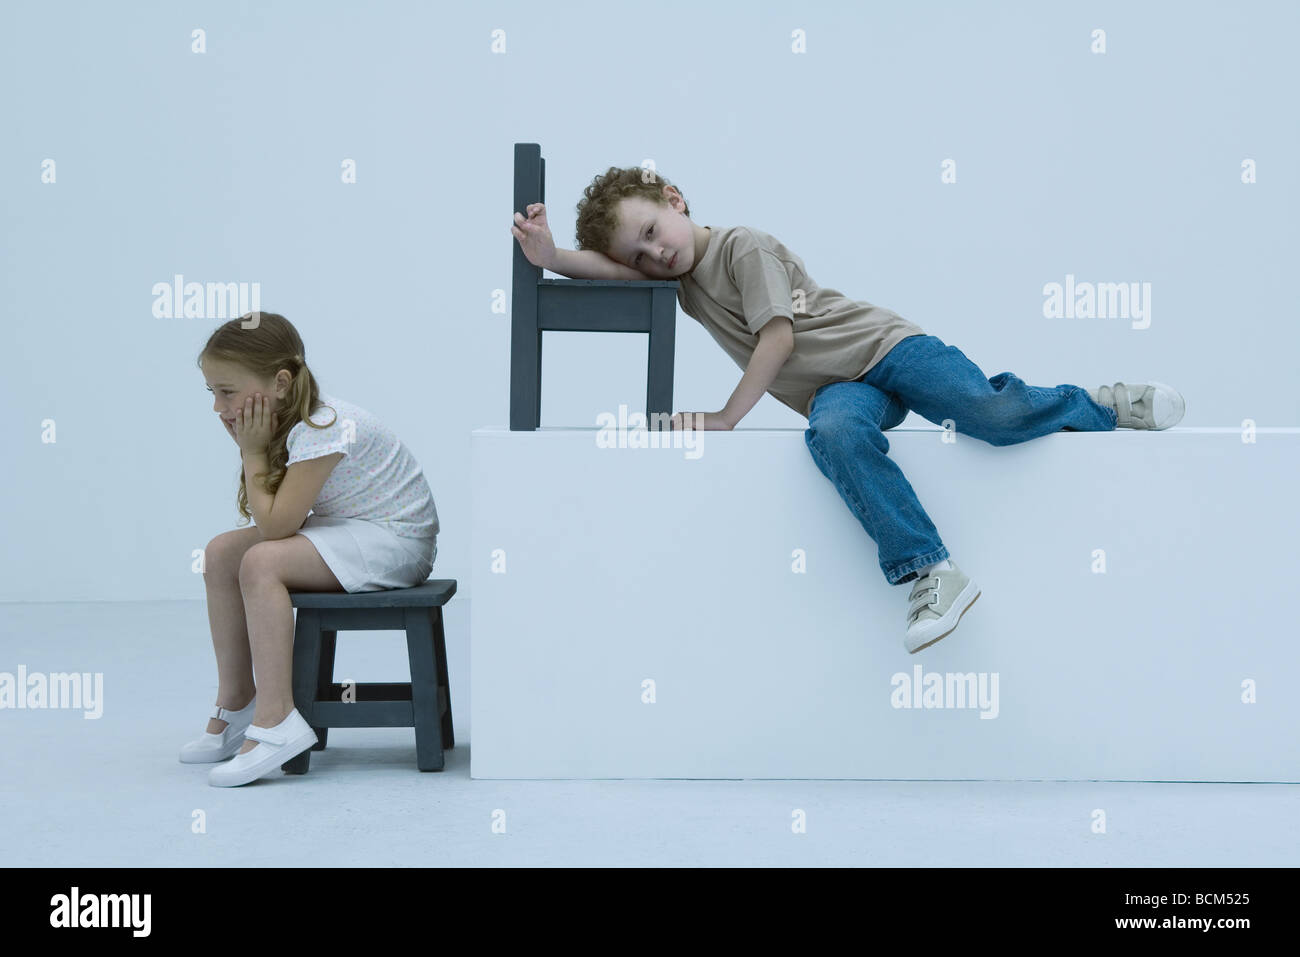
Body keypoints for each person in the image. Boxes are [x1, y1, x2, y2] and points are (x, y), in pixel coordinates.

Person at [511, 169, 1184, 654]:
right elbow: (616, 271)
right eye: (642, 253)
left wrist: (724, 418)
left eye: (655, 231)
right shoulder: (677, 279)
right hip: (840, 390)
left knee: (988, 413)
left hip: (886, 347)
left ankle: (1097, 404)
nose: (656, 253)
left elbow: (776, 336)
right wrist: (551, 257)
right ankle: (932, 571)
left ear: (676, 199)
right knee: (831, 432)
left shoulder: (741, 246)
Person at [181, 312, 440, 786]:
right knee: (221, 553)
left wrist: (251, 452)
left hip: (396, 539)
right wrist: (255, 448)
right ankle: (239, 702)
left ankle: (277, 720)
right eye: (212, 392)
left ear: (280, 383)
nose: (219, 407)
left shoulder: (324, 426)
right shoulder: (291, 423)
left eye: (228, 392)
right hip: (348, 528)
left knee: (261, 561)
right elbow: (276, 516)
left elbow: (278, 525)